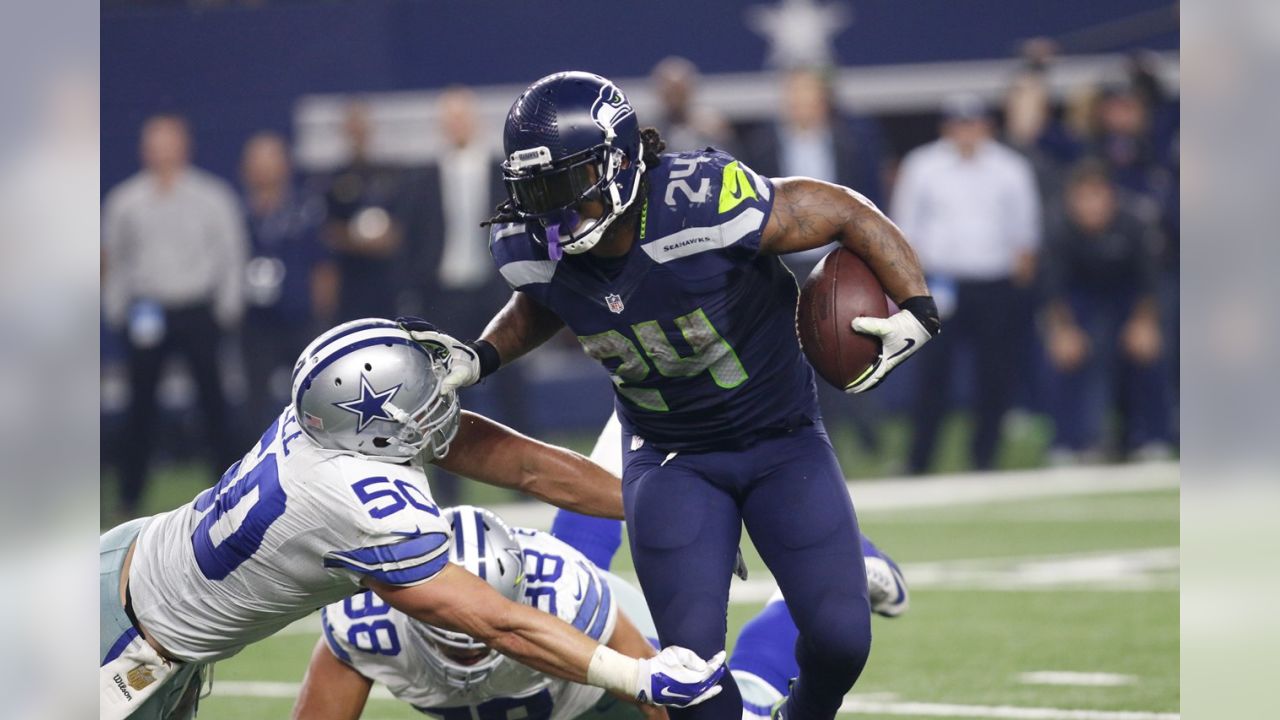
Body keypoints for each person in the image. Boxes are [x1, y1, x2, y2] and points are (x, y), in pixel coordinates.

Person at [406, 72, 938, 720]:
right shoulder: (528, 245)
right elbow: (543, 299)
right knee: (690, 685)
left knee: (841, 641)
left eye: (567, 185)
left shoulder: (702, 202)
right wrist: (483, 354)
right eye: (536, 190)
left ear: (620, 164)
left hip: (781, 439)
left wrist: (916, 306)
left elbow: (842, 209)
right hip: (671, 458)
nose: (553, 209)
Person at [99, 319, 726, 720]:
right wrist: (638, 675)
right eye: (419, 394)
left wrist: (661, 506)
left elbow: (527, 466)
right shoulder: (358, 504)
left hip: (126, 564)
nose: (437, 399)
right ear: (372, 431)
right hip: (126, 655)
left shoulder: (330, 420)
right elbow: (500, 624)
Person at [292, 505, 909, 720]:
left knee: (730, 701)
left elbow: (660, 700)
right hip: (543, 690)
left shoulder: (561, 591)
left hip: (601, 689)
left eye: (481, 616)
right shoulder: (366, 625)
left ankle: (845, 568)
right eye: (450, 620)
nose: (471, 633)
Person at [102, 114, 248, 517]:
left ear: (184, 146)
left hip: (198, 308)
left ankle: (232, 490)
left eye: (168, 143)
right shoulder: (124, 201)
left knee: (214, 403)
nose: (161, 151)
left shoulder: (212, 196)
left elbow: (230, 253)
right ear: (143, 149)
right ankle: (130, 495)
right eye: (154, 143)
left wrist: (226, 307)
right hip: (148, 311)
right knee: (140, 406)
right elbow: (114, 260)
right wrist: (116, 310)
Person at [890, 94, 1041, 474]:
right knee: (932, 377)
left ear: (987, 126)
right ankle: (919, 461)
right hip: (940, 283)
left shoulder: (1011, 168)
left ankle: (984, 457)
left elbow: (1026, 235)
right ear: (946, 127)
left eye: (972, 123)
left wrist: (1017, 288)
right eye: (958, 124)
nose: (966, 132)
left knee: (994, 375)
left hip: (994, 284)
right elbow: (903, 229)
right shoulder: (923, 165)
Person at [1041, 160, 1171, 462]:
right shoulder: (1058, 228)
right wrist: (1062, 332)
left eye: (1097, 196)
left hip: (1128, 302)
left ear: (1111, 196)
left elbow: (1150, 282)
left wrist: (1145, 324)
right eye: (1083, 197)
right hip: (1080, 305)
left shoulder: (1135, 223)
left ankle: (1152, 438)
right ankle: (1070, 442)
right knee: (1066, 357)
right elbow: (1053, 290)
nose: (1091, 206)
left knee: (1149, 354)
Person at [239, 131, 337, 433]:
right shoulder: (236, 213)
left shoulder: (306, 210)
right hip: (254, 322)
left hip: (300, 320)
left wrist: (321, 318)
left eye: (270, 161)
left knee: (313, 397)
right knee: (255, 401)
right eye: (257, 163)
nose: (264, 170)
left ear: (285, 165)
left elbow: (324, 266)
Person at [322, 102, 407, 321]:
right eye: (353, 126)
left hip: (386, 281)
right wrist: (357, 242)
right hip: (351, 281)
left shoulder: (390, 174)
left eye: (362, 125)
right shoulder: (334, 179)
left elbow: (405, 225)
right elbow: (328, 231)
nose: (358, 132)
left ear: (370, 129)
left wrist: (389, 239)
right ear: (345, 131)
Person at [649, 57, 734, 155]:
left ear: (690, 90)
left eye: (679, 91)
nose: (675, 98)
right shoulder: (649, 131)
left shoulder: (712, 127)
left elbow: (730, 162)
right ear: (659, 92)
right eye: (670, 92)